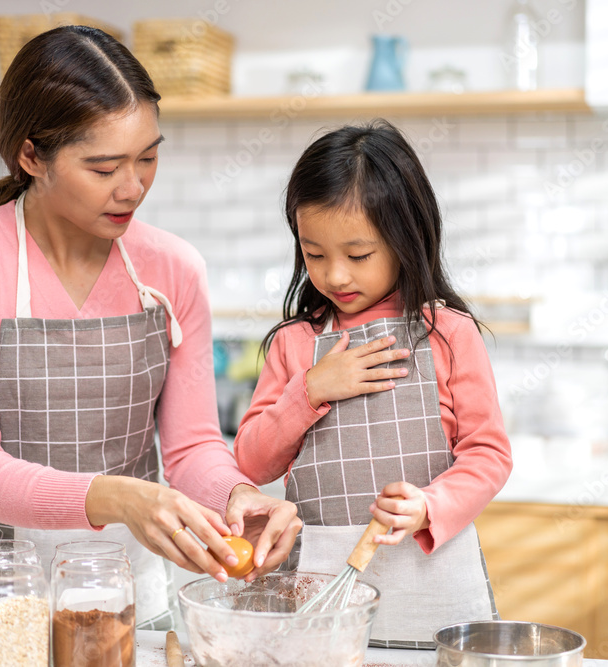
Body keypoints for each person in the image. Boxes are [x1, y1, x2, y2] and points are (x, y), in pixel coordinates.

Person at [0, 25, 300, 630]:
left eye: (148, 157)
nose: (134, 187)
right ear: (31, 155)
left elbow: (193, 447)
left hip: (124, 587)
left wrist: (234, 495)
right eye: (104, 167)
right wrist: (115, 496)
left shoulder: (172, 268)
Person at [234, 120, 513, 648]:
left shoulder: (448, 334)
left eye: (357, 255)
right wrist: (310, 389)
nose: (335, 275)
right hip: (321, 590)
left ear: (406, 238)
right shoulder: (296, 344)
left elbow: (489, 454)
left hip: (433, 583)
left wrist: (430, 505)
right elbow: (251, 461)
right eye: (315, 254)